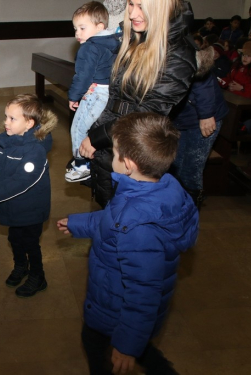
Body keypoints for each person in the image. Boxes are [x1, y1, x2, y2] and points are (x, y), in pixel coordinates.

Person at [57, 112, 199, 375]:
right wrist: (79, 224)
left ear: (128, 163)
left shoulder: (139, 229)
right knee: (137, 347)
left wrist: (126, 345)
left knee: (101, 344)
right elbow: (114, 221)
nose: (111, 157)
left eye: (113, 152)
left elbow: (143, 292)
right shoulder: (162, 187)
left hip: (116, 306)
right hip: (116, 302)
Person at [79, 0, 197, 208]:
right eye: (131, 4)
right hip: (112, 140)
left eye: (141, 6)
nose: (132, 13)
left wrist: (97, 138)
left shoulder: (178, 54)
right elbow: (117, 97)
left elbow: (146, 115)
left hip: (135, 148)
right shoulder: (137, 38)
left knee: (126, 220)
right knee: (107, 212)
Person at [0, 94, 57, 297]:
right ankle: (20, 266)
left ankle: (38, 276)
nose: (5, 122)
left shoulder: (35, 150)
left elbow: (21, 182)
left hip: (30, 208)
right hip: (11, 204)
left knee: (30, 243)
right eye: (6, 116)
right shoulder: (6, 141)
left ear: (29, 123)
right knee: (15, 239)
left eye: (12, 118)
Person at [65, 1, 119, 183]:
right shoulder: (114, 43)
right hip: (109, 92)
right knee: (92, 127)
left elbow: (83, 76)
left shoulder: (89, 47)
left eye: (82, 28)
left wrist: (73, 96)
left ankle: (81, 164)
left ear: (99, 27)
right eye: (75, 29)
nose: (77, 34)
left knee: (79, 127)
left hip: (95, 93)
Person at [171, 46, 229, 208]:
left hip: (203, 116)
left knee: (191, 167)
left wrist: (206, 114)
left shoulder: (179, 49)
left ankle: (191, 209)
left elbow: (202, 80)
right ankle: (178, 206)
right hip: (180, 118)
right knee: (177, 164)